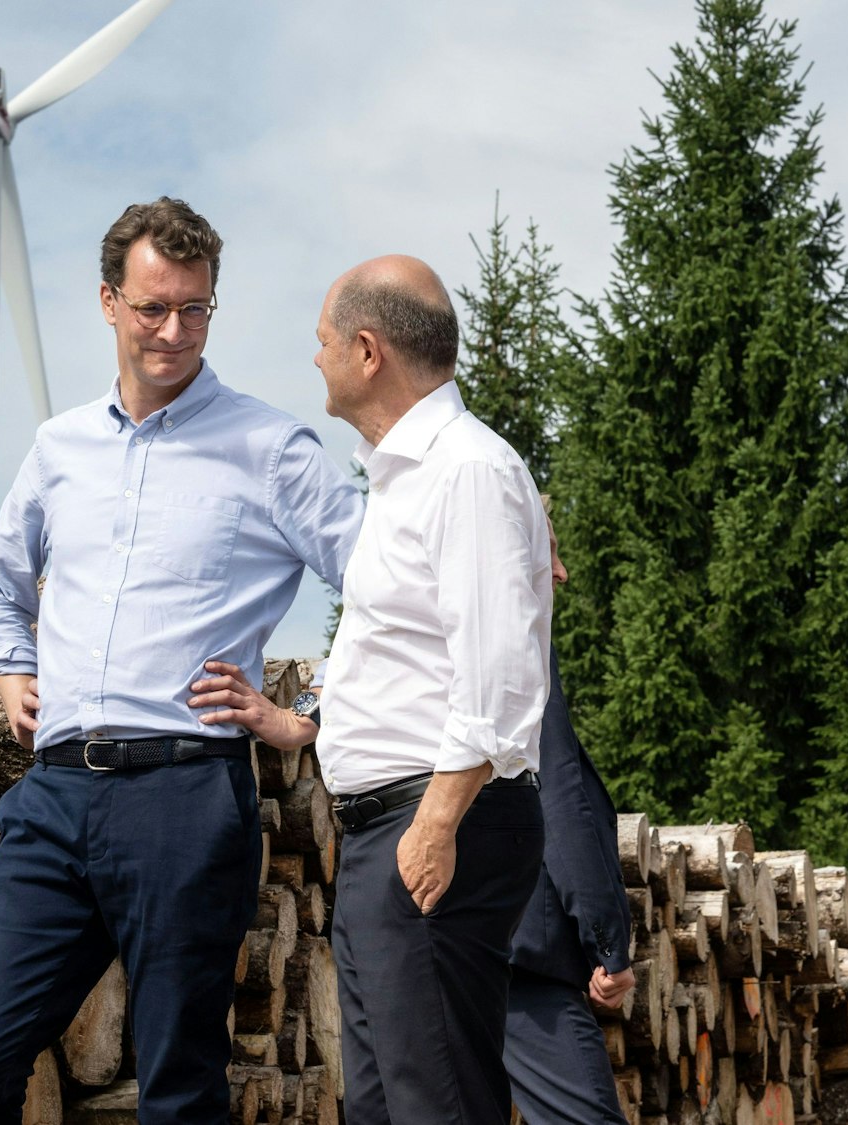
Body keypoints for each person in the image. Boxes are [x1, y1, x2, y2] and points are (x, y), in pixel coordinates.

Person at [0, 197, 364, 1124]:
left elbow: (384, 580)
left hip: (184, 793)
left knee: (178, 1090)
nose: (175, 331)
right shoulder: (61, 449)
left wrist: (312, 715)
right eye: (153, 308)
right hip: (54, 798)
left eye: (196, 309)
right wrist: (11, 669)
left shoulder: (270, 448)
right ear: (108, 302)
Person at [312, 254, 554, 1124]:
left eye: (325, 340)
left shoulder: (467, 470)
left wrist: (439, 821)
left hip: (433, 821)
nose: (317, 359)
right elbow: (412, 661)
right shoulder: (410, 477)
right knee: (387, 1107)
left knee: (438, 1105)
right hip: (395, 826)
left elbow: (497, 670)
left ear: (368, 351)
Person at [502, 514, 635, 1124]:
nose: (561, 571)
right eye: (547, 552)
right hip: (524, 965)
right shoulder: (518, 649)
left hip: (434, 947)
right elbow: (560, 799)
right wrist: (609, 944)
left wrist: (294, 715)